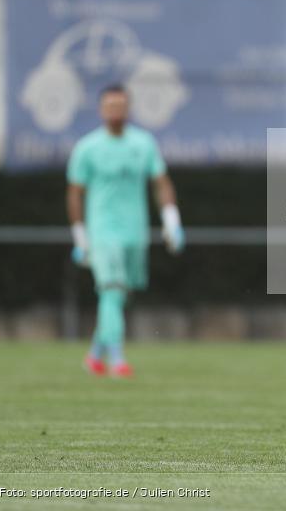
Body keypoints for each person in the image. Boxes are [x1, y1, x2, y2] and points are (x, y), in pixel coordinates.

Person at [67, 84, 184, 378]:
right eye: (110, 106)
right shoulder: (87, 147)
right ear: (100, 109)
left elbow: (161, 182)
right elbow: (75, 192)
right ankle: (117, 360)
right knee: (111, 290)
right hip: (102, 231)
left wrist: (171, 220)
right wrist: (80, 236)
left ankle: (94, 356)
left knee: (118, 296)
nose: (115, 111)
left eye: (119, 105)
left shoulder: (143, 143)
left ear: (128, 108)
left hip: (135, 232)